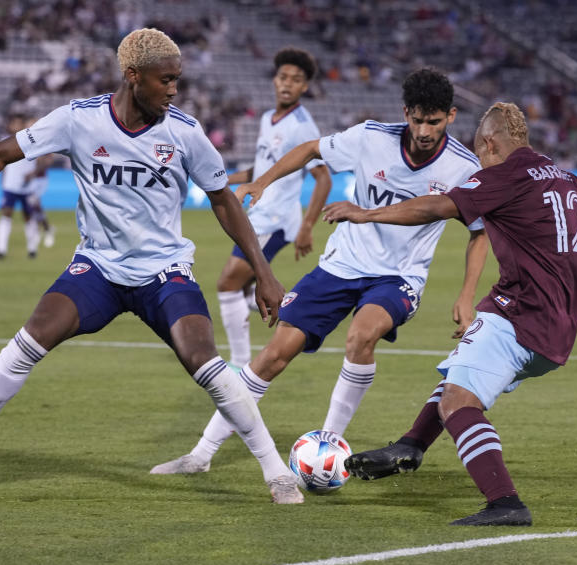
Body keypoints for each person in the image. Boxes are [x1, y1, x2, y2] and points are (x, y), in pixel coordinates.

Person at [0, 28, 305, 504]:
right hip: (98, 268)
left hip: (164, 271)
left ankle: (276, 472)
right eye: (166, 80)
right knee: (29, 340)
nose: (174, 90)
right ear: (132, 76)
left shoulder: (184, 131)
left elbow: (224, 201)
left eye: (177, 80)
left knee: (205, 362)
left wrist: (264, 272)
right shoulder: (79, 120)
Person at [322, 102, 577, 526]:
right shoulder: (566, 178)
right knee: (460, 371)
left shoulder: (503, 176)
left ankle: (504, 502)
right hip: (556, 323)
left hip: (523, 314)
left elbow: (436, 207)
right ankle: (410, 445)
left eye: (480, 150)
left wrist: (366, 213)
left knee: (457, 402)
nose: (479, 161)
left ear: (489, 143)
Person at [150, 68, 489, 475]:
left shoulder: (463, 168)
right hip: (340, 265)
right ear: (406, 113)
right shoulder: (371, 137)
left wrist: (466, 295)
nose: (423, 130)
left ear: (450, 117)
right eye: (416, 119)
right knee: (274, 355)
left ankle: (328, 449)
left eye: (433, 121)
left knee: (362, 335)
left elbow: (479, 232)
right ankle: (201, 455)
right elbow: (312, 150)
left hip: (398, 276)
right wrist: (263, 182)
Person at [217, 47, 332, 368]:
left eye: (296, 80)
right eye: (283, 77)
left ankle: (240, 363)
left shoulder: (302, 126)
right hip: (258, 215)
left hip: (277, 220)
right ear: (275, 79)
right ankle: (263, 299)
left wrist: (307, 226)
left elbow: (323, 179)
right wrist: (222, 180)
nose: (287, 84)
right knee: (239, 285)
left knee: (227, 282)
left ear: (304, 87)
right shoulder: (269, 118)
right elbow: (262, 169)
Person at [0, 115, 55, 259]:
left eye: (18, 123)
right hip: (10, 185)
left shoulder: (31, 140)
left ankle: (32, 249)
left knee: (28, 216)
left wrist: (33, 173)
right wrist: (2, 182)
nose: (16, 125)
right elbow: (2, 163)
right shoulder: (4, 141)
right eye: (14, 123)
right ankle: (1, 250)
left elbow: (46, 159)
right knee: (6, 214)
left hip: (27, 187)